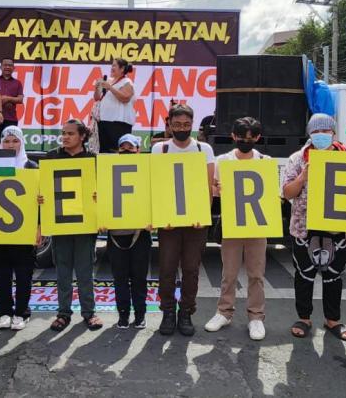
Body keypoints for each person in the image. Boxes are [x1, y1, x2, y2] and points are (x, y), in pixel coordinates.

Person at [282, 114, 346, 342]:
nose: (321, 136)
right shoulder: (297, 159)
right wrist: (303, 176)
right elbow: (287, 193)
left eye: (326, 131)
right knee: (304, 274)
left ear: (333, 133)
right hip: (306, 226)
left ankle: (332, 319)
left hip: (337, 226)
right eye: (317, 132)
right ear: (310, 134)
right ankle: (303, 318)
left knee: (334, 274)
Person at [151, 103, 215, 337]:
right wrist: (159, 214)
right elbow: (156, 185)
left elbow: (208, 187)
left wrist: (202, 215)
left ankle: (186, 311)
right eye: (177, 124)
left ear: (192, 124)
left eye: (186, 124)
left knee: (191, 269)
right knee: (167, 268)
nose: (182, 128)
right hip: (168, 220)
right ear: (169, 124)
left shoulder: (203, 149)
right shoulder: (161, 150)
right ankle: (168, 312)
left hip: (196, 222)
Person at [205, 117, 270, 341]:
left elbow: (272, 195)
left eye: (251, 137)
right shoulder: (222, 161)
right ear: (233, 136)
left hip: (257, 224)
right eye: (242, 136)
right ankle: (224, 312)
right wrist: (217, 189)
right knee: (229, 273)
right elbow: (212, 193)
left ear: (258, 138)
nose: (246, 141)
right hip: (232, 223)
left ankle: (256, 317)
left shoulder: (265, 161)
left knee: (256, 274)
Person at [42, 119, 103, 332]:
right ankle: (63, 313)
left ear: (82, 136)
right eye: (63, 133)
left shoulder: (92, 160)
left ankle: (89, 312)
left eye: (70, 133)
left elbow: (101, 190)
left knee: (85, 270)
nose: (65, 137)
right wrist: (42, 198)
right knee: (63, 271)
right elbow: (42, 187)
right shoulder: (51, 157)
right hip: (61, 224)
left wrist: (98, 196)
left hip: (84, 224)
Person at [0, 126, 39, 331]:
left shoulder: (31, 166)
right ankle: (5, 312)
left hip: (23, 231)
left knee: (24, 273)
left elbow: (39, 200)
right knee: (0, 273)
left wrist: (39, 227)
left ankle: (21, 312)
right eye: (7, 141)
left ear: (22, 143)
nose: (10, 145)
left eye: (15, 141)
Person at [102, 134, 151, 330]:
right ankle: (123, 315)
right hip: (115, 235)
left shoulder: (147, 173)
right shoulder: (107, 172)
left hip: (140, 235)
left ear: (138, 150)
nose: (127, 151)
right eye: (123, 148)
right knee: (119, 278)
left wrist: (153, 219)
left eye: (131, 148)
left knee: (139, 278)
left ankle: (140, 315)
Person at [94, 58, 135, 153]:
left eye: (114, 65)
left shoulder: (127, 82)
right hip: (104, 122)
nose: (112, 68)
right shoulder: (109, 80)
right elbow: (96, 98)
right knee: (104, 151)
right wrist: (97, 88)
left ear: (122, 68)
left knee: (116, 151)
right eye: (112, 65)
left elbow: (126, 98)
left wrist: (110, 88)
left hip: (118, 124)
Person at [0, 59, 24, 144]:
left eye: (10, 65)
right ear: (0, 67)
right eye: (5, 65)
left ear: (14, 68)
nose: (7, 67)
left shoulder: (17, 83)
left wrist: (7, 98)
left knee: (10, 144)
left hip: (11, 118)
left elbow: (20, 99)